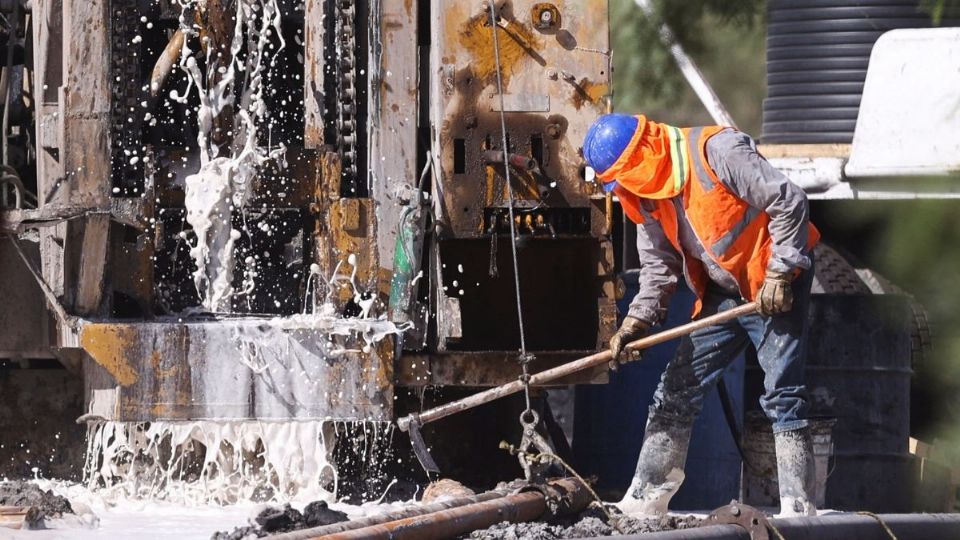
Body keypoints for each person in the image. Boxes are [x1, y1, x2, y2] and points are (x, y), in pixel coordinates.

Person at [582, 114, 820, 517]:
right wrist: (636, 319)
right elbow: (659, 266)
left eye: (622, 180)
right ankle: (645, 499)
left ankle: (798, 506)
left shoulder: (717, 152)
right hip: (725, 293)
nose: (622, 192)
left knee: (783, 396)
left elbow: (790, 201)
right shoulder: (647, 196)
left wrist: (781, 273)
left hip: (773, 282)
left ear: (642, 158)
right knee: (676, 389)